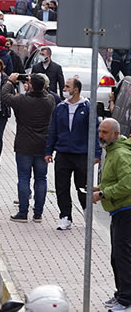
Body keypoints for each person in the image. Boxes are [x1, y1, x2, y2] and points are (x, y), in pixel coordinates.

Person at [45, 78, 101, 231]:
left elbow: (95, 131)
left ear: (75, 90)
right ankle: (65, 217)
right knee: (61, 186)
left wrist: (96, 153)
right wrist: (48, 151)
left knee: (82, 186)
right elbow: (53, 130)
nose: (64, 89)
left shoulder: (87, 107)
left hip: (81, 154)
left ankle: (86, 212)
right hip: (63, 153)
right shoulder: (60, 107)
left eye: (67, 86)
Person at [2, 73, 56, 223]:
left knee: (24, 178)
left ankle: (23, 212)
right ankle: (38, 213)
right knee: (41, 179)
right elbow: (48, 94)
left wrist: (9, 81)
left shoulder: (22, 100)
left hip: (24, 145)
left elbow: (5, 97)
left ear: (30, 86)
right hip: (43, 146)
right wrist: (37, 84)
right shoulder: (49, 101)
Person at [94, 118, 131, 311]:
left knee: (122, 255)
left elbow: (127, 185)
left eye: (105, 132)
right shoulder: (112, 150)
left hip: (126, 211)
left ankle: (126, 300)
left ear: (116, 134)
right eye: (100, 131)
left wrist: (102, 194)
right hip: (117, 210)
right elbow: (112, 179)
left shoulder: (121, 154)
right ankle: (121, 294)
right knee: (117, 256)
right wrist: (99, 187)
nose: (101, 135)